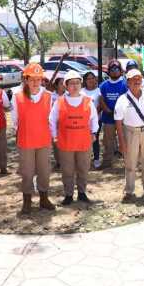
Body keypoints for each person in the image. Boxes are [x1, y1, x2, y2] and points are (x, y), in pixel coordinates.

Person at [12, 63, 55, 214]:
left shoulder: (49, 96)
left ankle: (44, 198)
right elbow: (15, 121)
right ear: (26, 79)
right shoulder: (17, 97)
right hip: (26, 142)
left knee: (44, 171)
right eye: (32, 79)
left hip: (43, 141)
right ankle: (27, 201)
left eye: (39, 79)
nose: (36, 82)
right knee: (27, 172)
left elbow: (51, 120)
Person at [50, 71, 99, 205]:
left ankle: (82, 193)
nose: (75, 86)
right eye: (71, 83)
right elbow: (52, 120)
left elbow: (94, 119)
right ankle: (68, 195)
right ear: (66, 85)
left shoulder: (88, 101)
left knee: (83, 168)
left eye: (77, 83)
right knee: (67, 170)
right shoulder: (59, 102)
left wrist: (94, 133)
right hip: (65, 142)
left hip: (84, 142)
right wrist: (54, 136)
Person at [115, 69, 144, 203]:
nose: (137, 81)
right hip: (130, 132)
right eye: (133, 79)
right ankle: (129, 191)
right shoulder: (122, 100)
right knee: (130, 162)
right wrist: (122, 142)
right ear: (127, 82)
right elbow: (118, 123)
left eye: (139, 79)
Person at [99, 59, 127, 169]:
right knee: (108, 142)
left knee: (125, 140)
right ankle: (107, 162)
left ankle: (128, 163)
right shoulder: (103, 85)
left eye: (117, 68)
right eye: (112, 69)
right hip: (108, 118)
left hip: (124, 119)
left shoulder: (125, 84)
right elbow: (101, 99)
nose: (114, 71)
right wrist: (106, 109)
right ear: (108, 71)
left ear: (121, 71)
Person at [81, 71, 102, 169]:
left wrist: (95, 113)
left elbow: (101, 105)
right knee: (84, 139)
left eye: (92, 78)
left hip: (96, 119)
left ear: (95, 79)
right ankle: (85, 159)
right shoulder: (81, 91)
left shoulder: (99, 90)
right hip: (83, 120)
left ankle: (96, 159)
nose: (90, 80)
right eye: (88, 79)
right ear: (85, 80)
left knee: (95, 139)